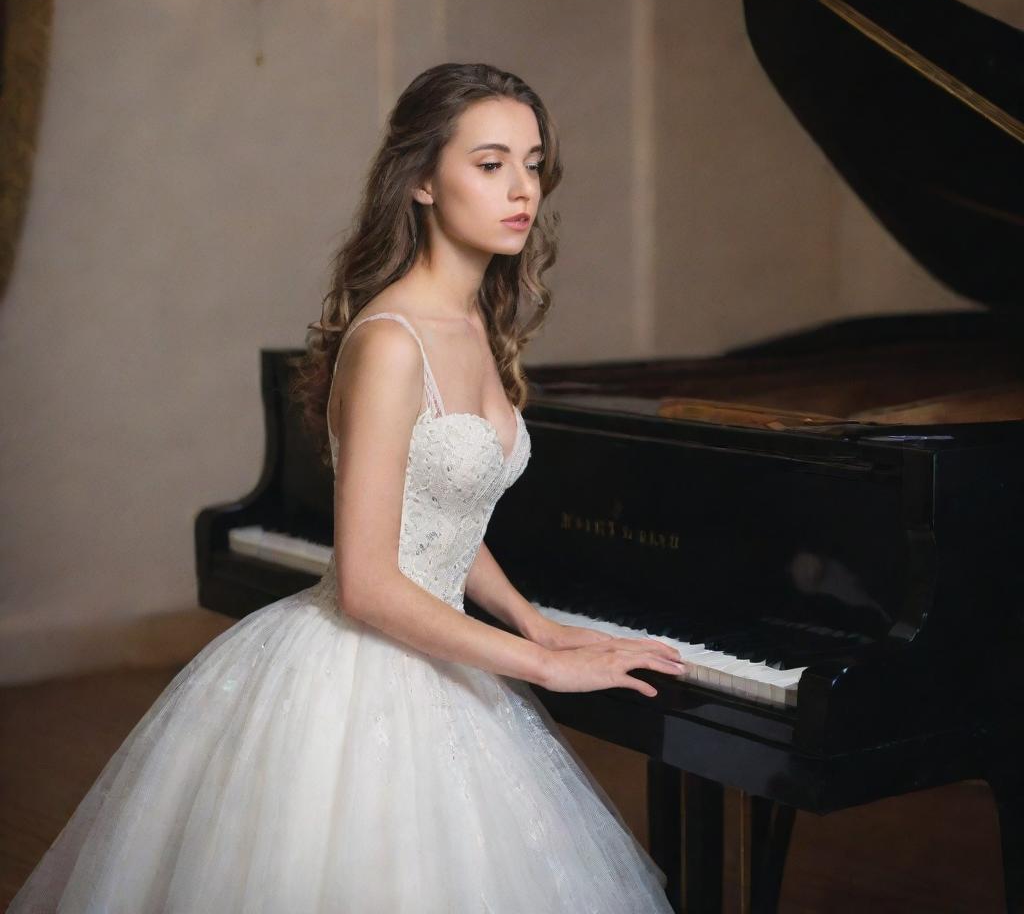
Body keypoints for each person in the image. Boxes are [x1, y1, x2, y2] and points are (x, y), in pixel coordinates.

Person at [8, 62, 686, 913]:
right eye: (489, 163)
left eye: (532, 161)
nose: (522, 188)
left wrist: (534, 620)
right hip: (361, 674)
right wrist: (540, 668)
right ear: (423, 183)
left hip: (447, 659)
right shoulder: (393, 342)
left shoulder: (477, 321)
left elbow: (440, 517)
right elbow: (369, 585)